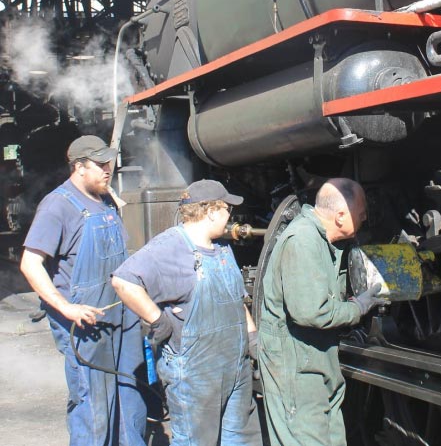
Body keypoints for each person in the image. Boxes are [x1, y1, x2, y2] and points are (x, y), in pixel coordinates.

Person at [111, 179, 262, 446]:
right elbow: (123, 281)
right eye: (227, 208)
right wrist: (158, 321)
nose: (231, 215)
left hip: (235, 369)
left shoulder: (223, 248)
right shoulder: (169, 247)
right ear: (212, 211)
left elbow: (235, 299)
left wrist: (251, 338)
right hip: (195, 375)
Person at [20, 135, 146, 445]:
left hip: (120, 317)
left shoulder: (105, 201)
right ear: (78, 167)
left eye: (109, 163)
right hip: (84, 324)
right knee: (93, 407)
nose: (108, 170)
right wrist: (66, 308)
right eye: (100, 165)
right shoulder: (57, 205)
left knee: (130, 398)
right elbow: (30, 264)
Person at [258, 177, 389, 446]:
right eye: (361, 214)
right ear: (341, 216)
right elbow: (311, 312)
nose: (364, 218)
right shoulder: (303, 241)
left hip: (316, 361)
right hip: (296, 366)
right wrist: (358, 307)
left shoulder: (323, 240)